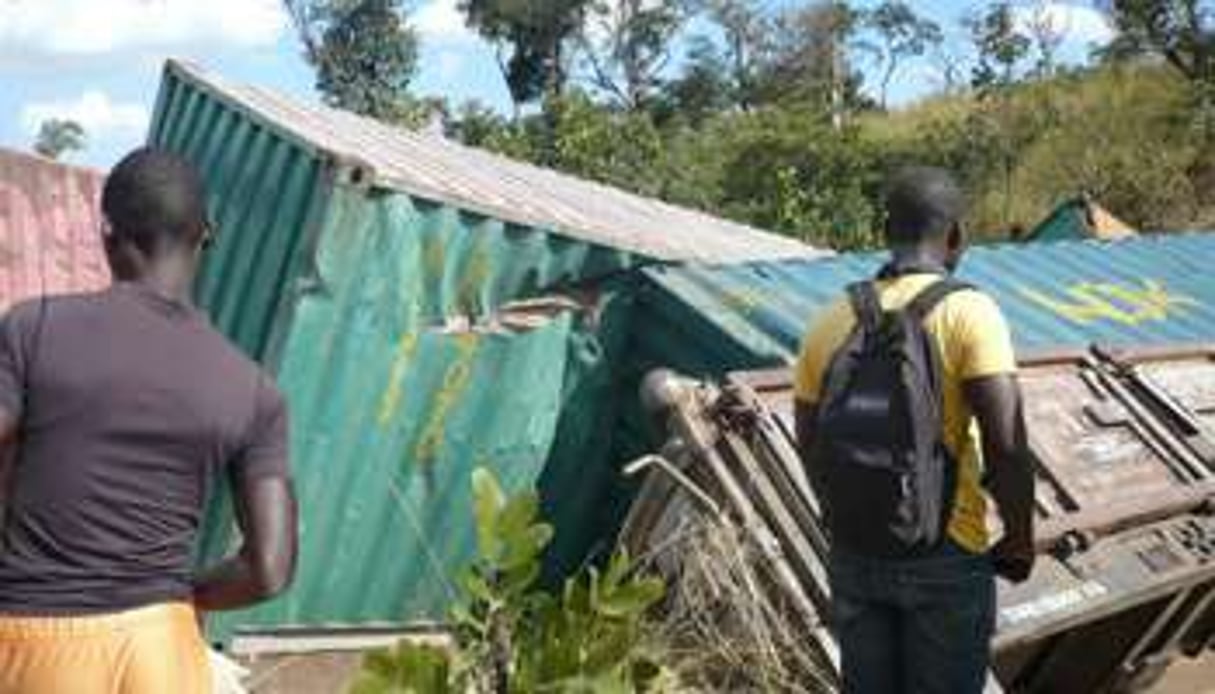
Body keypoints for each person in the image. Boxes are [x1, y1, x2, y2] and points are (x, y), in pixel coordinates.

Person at [0, 147, 298, 693]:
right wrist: (185, 594)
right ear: (206, 234)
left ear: (107, 232)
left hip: (36, 641)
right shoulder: (254, 390)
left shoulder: (32, 329)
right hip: (164, 652)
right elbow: (270, 568)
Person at [794, 166, 1035, 694]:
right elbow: (1008, 445)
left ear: (886, 232)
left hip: (855, 552)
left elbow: (808, 443)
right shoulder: (969, 311)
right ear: (955, 237)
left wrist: (850, 519)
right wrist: (1019, 539)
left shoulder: (829, 318)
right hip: (945, 552)